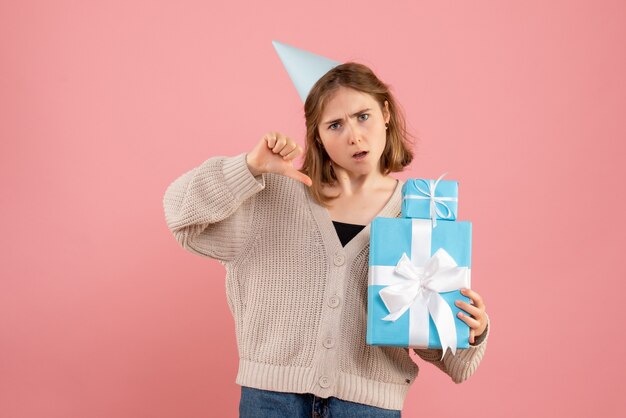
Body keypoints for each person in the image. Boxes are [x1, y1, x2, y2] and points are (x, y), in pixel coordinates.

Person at [163, 62, 489, 417]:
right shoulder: (271, 197)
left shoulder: (423, 210)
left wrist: (473, 329)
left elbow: (454, 361)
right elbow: (181, 216)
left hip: (367, 408)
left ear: (385, 113)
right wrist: (248, 167)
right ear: (317, 135)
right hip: (272, 402)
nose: (354, 136)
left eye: (362, 116)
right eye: (335, 125)